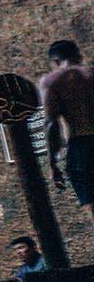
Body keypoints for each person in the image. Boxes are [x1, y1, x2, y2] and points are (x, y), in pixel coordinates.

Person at [42, 40, 94, 236]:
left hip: (81, 146)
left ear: (55, 61)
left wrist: (52, 164)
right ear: (78, 55)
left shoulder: (52, 81)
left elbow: (51, 124)